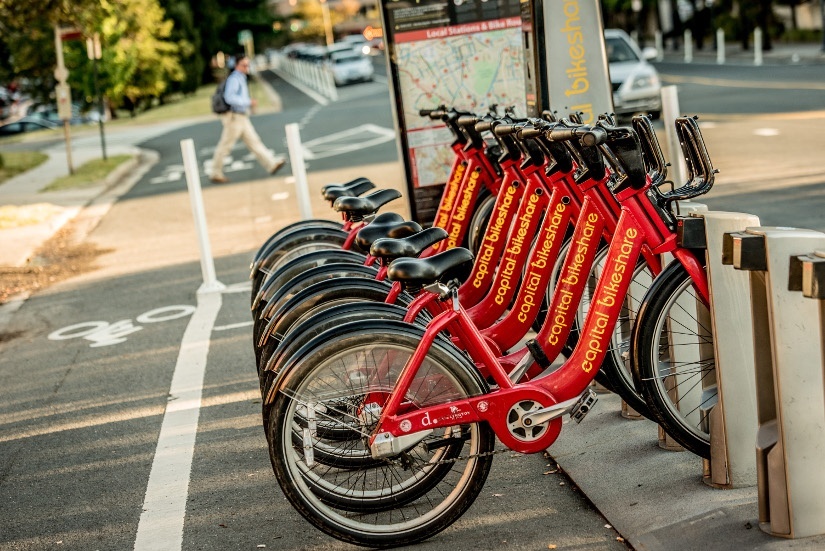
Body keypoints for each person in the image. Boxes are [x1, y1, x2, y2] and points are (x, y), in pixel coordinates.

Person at [210, 53, 284, 183]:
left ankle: (271, 164)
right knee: (225, 146)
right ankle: (215, 172)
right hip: (234, 117)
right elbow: (230, 97)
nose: (246, 67)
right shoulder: (234, 79)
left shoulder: (241, 78)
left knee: (254, 142)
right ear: (236, 65)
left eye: (247, 65)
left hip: (241, 117)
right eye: (244, 65)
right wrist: (248, 102)